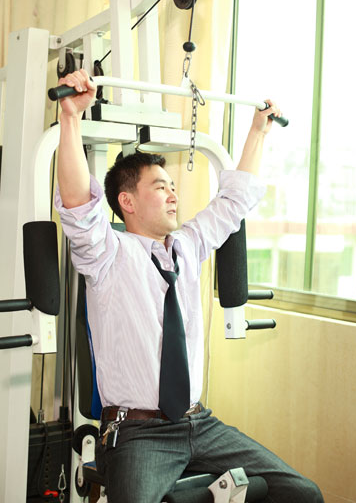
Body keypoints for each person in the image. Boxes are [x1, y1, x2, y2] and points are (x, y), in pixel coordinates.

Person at [55, 69, 323, 503]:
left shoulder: (187, 246)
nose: (173, 195)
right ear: (127, 201)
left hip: (201, 423)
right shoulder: (108, 254)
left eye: (174, 187)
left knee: (301, 492)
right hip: (139, 432)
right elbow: (77, 206)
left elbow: (233, 201)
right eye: (161, 187)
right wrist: (70, 118)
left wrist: (258, 131)